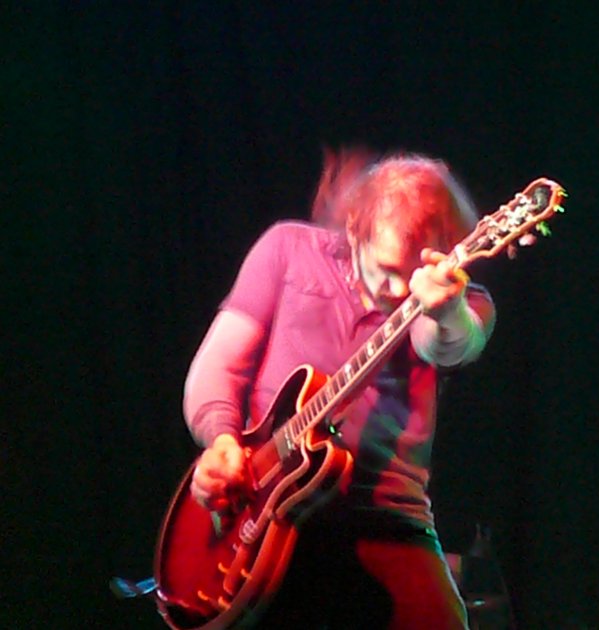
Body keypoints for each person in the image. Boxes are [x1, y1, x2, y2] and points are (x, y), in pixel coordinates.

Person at [182, 150, 496, 629]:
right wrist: (222, 440)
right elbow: (218, 364)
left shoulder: (452, 298)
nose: (399, 291)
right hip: (265, 509)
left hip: (386, 517)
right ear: (354, 229)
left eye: (411, 274)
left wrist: (446, 312)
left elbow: (451, 344)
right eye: (386, 268)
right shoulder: (287, 249)